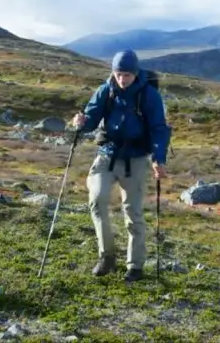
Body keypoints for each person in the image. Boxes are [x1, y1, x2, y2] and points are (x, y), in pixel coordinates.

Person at [71, 49, 171, 282]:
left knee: (132, 211)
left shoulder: (149, 96)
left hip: (135, 158)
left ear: (136, 73)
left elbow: (159, 129)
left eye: (126, 75)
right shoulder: (106, 91)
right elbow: (91, 118)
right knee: (97, 199)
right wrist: (82, 123)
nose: (122, 79)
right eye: (118, 74)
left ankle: (135, 265)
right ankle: (106, 256)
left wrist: (158, 158)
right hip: (107, 154)